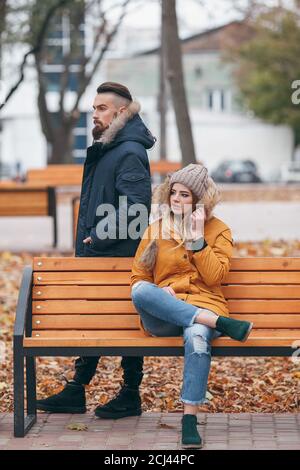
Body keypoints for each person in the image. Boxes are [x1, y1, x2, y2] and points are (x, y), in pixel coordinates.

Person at [36, 82, 155, 419]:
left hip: (117, 256)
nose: (95, 114)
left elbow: (136, 207)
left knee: (125, 322)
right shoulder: (110, 147)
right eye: (94, 108)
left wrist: (97, 238)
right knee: (97, 317)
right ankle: (77, 389)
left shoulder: (129, 150)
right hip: (102, 256)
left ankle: (130, 393)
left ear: (119, 112)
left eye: (101, 108)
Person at [130, 164, 253, 449]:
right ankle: (221, 324)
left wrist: (197, 239)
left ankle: (189, 421)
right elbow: (138, 279)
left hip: (204, 304)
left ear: (200, 201)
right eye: (173, 193)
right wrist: (162, 291)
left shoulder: (218, 230)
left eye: (185, 195)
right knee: (139, 291)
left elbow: (215, 277)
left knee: (197, 335)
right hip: (163, 315)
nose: (176, 199)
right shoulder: (156, 230)